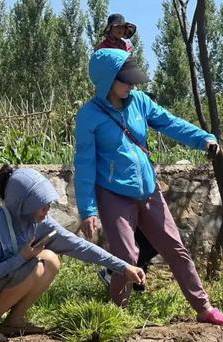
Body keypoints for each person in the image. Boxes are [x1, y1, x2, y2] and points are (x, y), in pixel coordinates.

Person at [74, 48, 223, 326]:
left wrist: (203, 138)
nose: (132, 85)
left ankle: (204, 308)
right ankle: (116, 317)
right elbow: (85, 165)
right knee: (125, 257)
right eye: (126, 80)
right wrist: (88, 209)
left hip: (148, 191)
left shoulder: (139, 102)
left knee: (176, 249)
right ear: (107, 80)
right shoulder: (89, 116)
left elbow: (170, 123)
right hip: (113, 195)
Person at [0, 165, 145, 342]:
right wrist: (21, 259)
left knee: (50, 259)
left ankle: (14, 323)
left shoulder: (38, 222)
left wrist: (122, 267)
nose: (47, 210)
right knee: (34, 266)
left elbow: (79, 246)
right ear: (24, 204)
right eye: (42, 205)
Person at [96, 14, 155, 292]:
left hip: (132, 137)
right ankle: (121, 272)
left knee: (146, 227)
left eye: (123, 27)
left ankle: (133, 271)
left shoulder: (128, 51)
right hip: (115, 128)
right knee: (130, 225)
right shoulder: (104, 51)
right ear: (111, 28)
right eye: (117, 26)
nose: (121, 30)